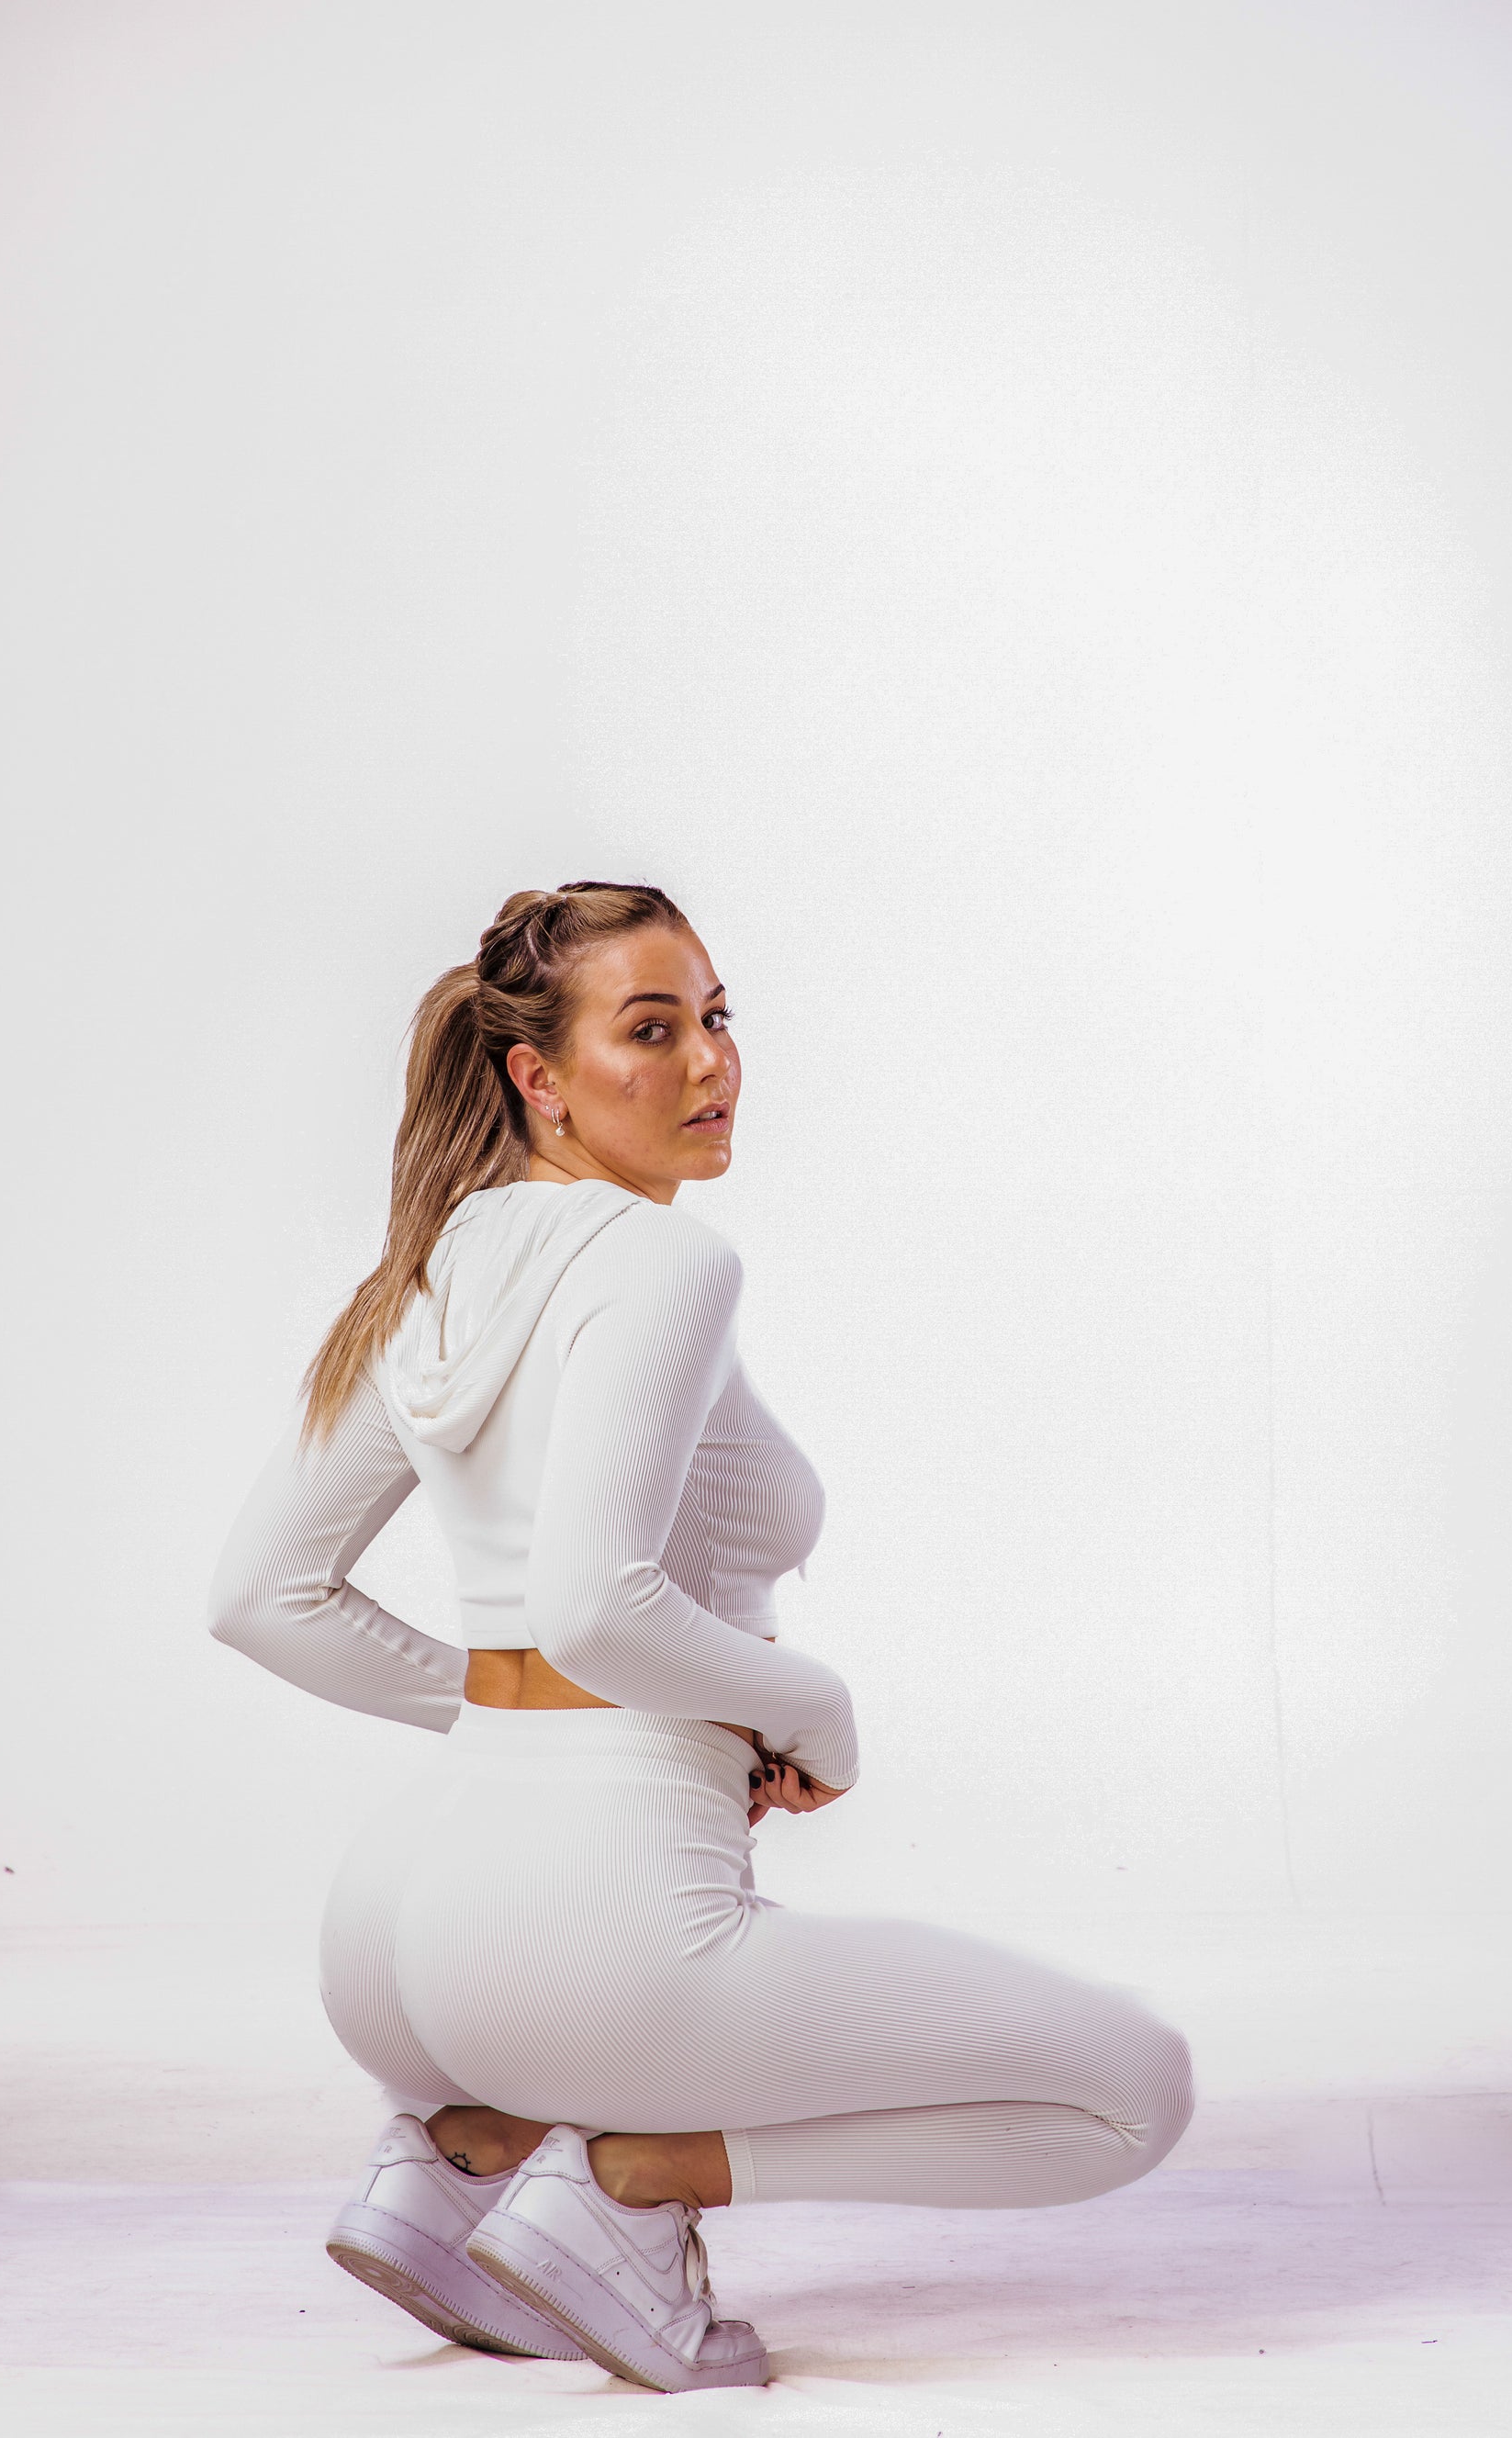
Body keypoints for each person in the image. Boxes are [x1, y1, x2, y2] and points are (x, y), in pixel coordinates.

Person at [208, 881, 1193, 2395]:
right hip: (597, 1940)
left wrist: (515, 1720)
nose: (709, 1062)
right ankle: (633, 2180)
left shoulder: (431, 1269)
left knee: (615, 2007)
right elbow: (595, 1606)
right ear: (537, 1076)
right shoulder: (660, 1260)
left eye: (717, 1018)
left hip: (397, 1942)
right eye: (651, 1030)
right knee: (1134, 2091)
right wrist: (810, 1711)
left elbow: (264, 1597)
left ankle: (466, 2157)